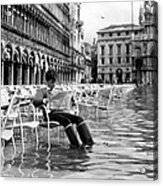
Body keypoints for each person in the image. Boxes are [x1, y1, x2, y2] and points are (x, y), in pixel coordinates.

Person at [33, 68, 94, 149]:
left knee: (79, 118)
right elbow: (35, 102)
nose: (54, 84)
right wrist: (44, 100)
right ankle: (75, 144)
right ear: (47, 81)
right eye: (52, 82)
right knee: (66, 121)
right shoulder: (42, 91)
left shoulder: (59, 90)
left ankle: (88, 142)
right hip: (50, 114)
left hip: (61, 112)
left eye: (55, 82)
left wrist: (71, 98)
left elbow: (71, 100)